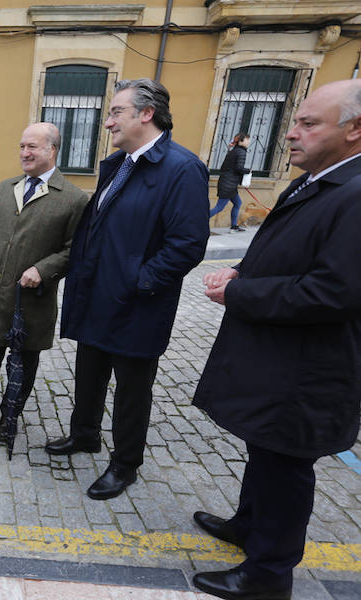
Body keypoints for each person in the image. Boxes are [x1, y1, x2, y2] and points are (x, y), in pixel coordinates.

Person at [191, 80, 361, 600]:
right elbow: (283, 249)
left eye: (309, 123)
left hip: (308, 372)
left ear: (354, 129)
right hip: (281, 361)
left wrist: (240, 292)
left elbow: (333, 292)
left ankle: (267, 574)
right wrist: (241, 269)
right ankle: (249, 526)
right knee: (264, 451)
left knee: (286, 467)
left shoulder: (355, 195)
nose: (290, 133)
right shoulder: (315, 181)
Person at [50, 79, 210, 500]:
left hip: (138, 305)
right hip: (97, 296)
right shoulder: (121, 163)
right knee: (89, 374)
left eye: (116, 112)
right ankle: (84, 435)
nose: (108, 123)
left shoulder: (182, 168)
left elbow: (187, 245)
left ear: (146, 114)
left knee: (132, 391)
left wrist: (139, 282)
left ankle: (125, 465)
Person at [0, 123, 89, 441]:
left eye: (32, 147)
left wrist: (43, 269)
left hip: (33, 299)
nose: (25, 153)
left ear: (52, 150)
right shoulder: (5, 188)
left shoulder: (73, 199)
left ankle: (10, 414)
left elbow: (76, 250)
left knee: (24, 363)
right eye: (22, 146)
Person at [209, 132, 251, 232]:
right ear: (241, 141)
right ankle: (198, 220)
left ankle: (234, 226)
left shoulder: (233, 151)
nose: (248, 142)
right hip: (229, 184)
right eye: (247, 139)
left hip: (227, 182)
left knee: (237, 203)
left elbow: (225, 167)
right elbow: (239, 168)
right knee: (219, 207)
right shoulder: (241, 152)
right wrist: (248, 171)